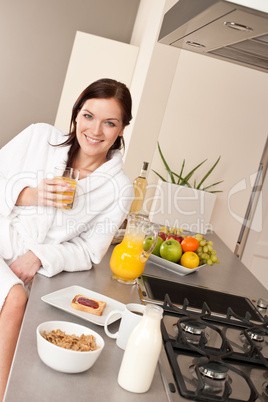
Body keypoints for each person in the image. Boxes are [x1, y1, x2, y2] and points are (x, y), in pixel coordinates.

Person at [0, 78, 134, 400]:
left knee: (21, 301)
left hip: (24, 263)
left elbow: (90, 251)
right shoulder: (39, 137)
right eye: (88, 116)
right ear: (76, 114)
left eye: (110, 123)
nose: (95, 131)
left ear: (122, 129)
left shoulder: (119, 189)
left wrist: (40, 255)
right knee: (16, 298)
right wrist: (30, 195)